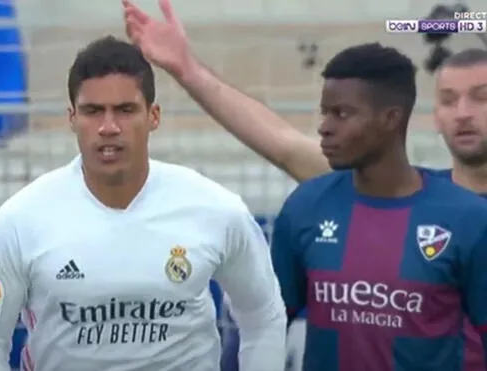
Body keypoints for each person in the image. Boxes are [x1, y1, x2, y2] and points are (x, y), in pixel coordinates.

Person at [122, 1, 487, 368]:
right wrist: (188, 69)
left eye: (481, 96)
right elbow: (283, 144)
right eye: (448, 99)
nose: (464, 113)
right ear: (433, 114)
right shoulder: (370, 194)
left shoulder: (466, 220)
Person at [0, 35, 287, 371]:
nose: (109, 127)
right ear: (72, 118)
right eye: (92, 111)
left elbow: (264, 315)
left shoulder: (216, 209)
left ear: (153, 116)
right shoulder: (21, 219)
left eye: (125, 110)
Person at [274, 43, 487, 370]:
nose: (324, 127)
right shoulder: (306, 206)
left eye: (341, 114)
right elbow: (269, 321)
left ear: (391, 119)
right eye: (325, 112)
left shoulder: (468, 219)